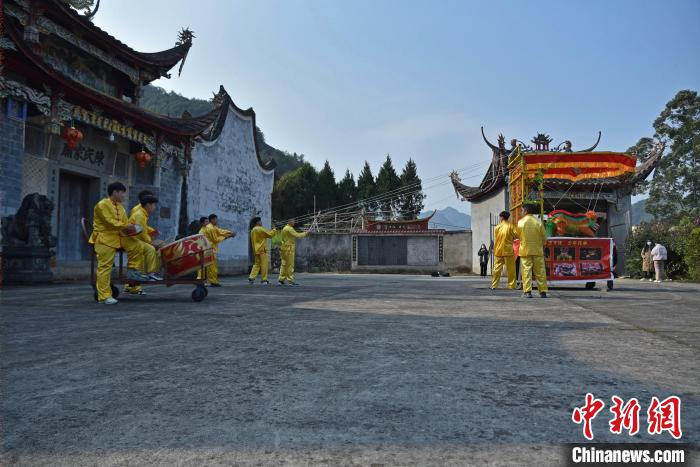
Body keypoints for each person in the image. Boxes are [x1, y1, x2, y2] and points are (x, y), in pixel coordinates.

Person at [89, 182, 148, 305]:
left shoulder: (120, 207)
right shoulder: (102, 205)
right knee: (105, 267)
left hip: (118, 237)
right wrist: (128, 226)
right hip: (104, 238)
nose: (123, 196)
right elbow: (109, 222)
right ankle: (104, 296)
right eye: (122, 193)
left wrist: (133, 230)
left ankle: (132, 270)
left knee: (138, 245)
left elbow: (125, 224)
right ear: (115, 192)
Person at [125, 195, 163, 295]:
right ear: (147, 205)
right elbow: (140, 232)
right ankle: (151, 274)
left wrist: (153, 231)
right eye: (153, 205)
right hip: (132, 240)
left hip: (135, 240)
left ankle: (135, 285)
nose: (154, 207)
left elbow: (144, 227)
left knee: (149, 250)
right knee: (150, 249)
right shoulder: (140, 214)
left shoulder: (143, 214)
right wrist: (151, 242)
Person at [516, 203, 548, 298]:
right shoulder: (538, 222)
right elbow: (544, 238)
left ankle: (527, 292)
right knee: (540, 271)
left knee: (526, 271)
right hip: (537, 250)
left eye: (522, 210)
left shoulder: (520, 222)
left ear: (526, 211)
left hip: (525, 250)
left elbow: (518, 236)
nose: (521, 212)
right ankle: (543, 292)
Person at [201, 214, 235, 287]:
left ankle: (213, 281)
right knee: (212, 266)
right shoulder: (210, 228)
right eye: (216, 219)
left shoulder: (213, 227)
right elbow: (216, 239)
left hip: (211, 248)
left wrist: (229, 232)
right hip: (210, 249)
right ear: (212, 220)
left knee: (212, 266)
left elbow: (220, 231)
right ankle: (213, 282)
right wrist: (227, 236)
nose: (217, 220)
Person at [491, 211, 518, 289]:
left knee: (497, 268)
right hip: (508, 250)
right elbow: (516, 235)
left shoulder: (497, 227)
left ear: (502, 217)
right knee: (510, 269)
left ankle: (494, 285)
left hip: (498, 250)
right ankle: (512, 285)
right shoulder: (511, 226)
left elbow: (497, 238)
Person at [278, 218, 309, 286]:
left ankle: (281, 279)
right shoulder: (289, 229)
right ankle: (290, 280)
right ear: (289, 221)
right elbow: (297, 235)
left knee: (284, 264)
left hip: (284, 248)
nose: (294, 222)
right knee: (290, 265)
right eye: (293, 221)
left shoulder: (284, 228)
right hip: (289, 249)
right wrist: (306, 233)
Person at [248, 217, 277, 285]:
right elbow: (270, 235)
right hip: (262, 249)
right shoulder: (260, 229)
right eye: (260, 221)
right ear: (257, 222)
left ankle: (251, 277)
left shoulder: (252, 230)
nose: (261, 222)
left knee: (257, 264)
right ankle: (264, 280)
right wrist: (274, 229)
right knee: (264, 265)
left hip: (256, 249)